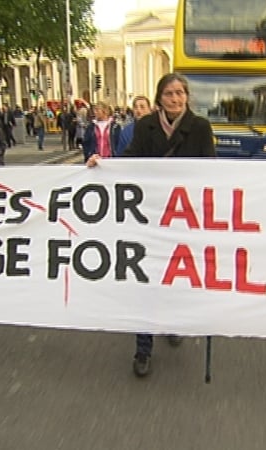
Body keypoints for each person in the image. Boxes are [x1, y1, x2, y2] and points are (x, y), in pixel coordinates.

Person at [88, 73, 216, 378]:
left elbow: (212, 170)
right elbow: (130, 160)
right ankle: (143, 348)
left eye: (180, 93)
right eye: (169, 94)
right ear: (159, 98)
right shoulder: (145, 127)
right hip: (149, 214)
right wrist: (103, 163)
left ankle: (173, 322)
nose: (175, 98)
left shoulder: (200, 127)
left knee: (176, 275)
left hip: (184, 216)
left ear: (187, 96)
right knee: (145, 279)